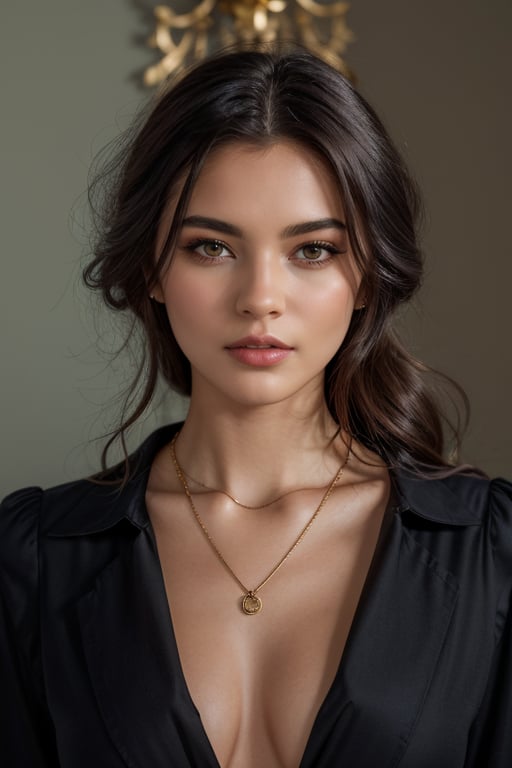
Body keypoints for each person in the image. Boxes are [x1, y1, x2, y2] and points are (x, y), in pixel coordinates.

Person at [0, 46, 511, 768]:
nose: (260, 298)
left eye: (313, 251)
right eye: (211, 246)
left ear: (366, 276)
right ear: (151, 266)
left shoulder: (492, 551)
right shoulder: (33, 559)